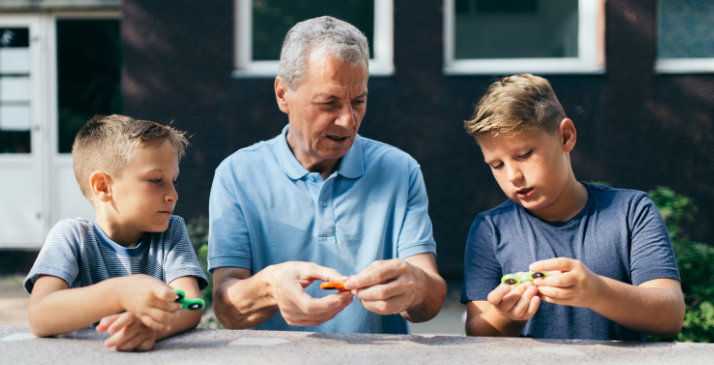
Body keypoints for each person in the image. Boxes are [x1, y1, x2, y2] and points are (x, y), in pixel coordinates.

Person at [208, 16, 446, 334]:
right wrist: (271, 286)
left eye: (358, 101)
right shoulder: (236, 175)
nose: (348, 121)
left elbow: (430, 300)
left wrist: (415, 286)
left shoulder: (400, 170)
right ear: (283, 94)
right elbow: (226, 309)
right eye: (329, 102)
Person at [460, 74, 685, 340]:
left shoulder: (632, 211)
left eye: (524, 155)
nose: (512, 176)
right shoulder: (490, 229)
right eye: (497, 165)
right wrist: (507, 317)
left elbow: (670, 316)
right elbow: (477, 332)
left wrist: (596, 292)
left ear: (566, 136)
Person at [24, 115, 208, 351]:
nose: (173, 194)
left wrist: (152, 327)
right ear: (102, 187)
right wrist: (120, 292)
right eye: (155, 180)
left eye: (174, 181)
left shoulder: (171, 231)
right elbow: (40, 316)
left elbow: (190, 305)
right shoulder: (71, 236)